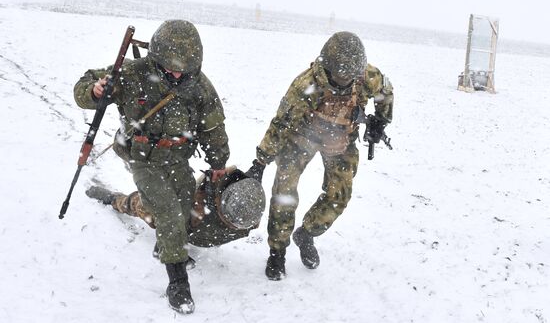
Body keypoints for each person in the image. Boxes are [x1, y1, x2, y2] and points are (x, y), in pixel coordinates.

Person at [74, 20, 230, 314]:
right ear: (156, 57)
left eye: (183, 68)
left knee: (184, 207)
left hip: (177, 159)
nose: (176, 73)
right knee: (168, 212)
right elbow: (86, 84)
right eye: (169, 67)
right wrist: (95, 92)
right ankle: (177, 278)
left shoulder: (198, 84)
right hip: (143, 158)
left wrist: (218, 161)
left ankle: (155, 235)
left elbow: (213, 126)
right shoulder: (133, 74)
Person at [245, 31, 394, 280]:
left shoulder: (367, 76)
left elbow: (386, 92)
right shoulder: (306, 86)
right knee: (284, 192)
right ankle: (277, 252)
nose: (345, 79)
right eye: (340, 75)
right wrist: (260, 161)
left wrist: (380, 121)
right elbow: (281, 123)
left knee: (339, 196)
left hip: (341, 139)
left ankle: (307, 233)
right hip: (300, 138)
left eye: (350, 75)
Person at [85, 166, 266, 249]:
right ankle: (114, 199)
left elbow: (172, 220)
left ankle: (114, 200)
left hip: (195, 231)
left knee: (144, 206)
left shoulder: (201, 216)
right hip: (201, 222)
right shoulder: (249, 209)